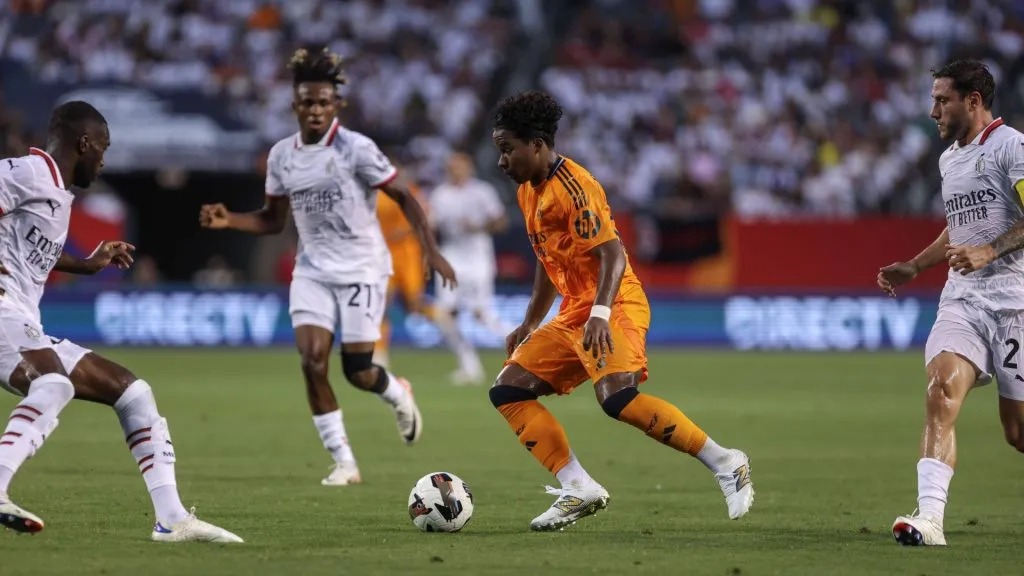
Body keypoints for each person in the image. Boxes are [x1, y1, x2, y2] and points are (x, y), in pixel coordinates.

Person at [488, 91, 753, 532]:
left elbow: (611, 253)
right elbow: (545, 257)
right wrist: (531, 321)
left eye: (507, 149)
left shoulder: (575, 187)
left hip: (615, 302)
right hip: (576, 310)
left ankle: (726, 462)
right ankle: (578, 487)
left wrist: (600, 313)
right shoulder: (526, 192)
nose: (501, 160)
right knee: (508, 390)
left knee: (617, 397)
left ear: (536, 144)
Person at [199, 47, 457, 486]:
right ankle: (344, 462)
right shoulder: (281, 156)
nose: (315, 110)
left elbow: (405, 196)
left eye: (323, 102)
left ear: (336, 105)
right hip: (313, 272)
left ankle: (397, 392)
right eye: (307, 102)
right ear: (295, 105)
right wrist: (232, 220)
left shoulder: (357, 149)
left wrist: (430, 251)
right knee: (312, 361)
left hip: (363, 269)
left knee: (358, 371)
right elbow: (272, 220)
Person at [0, 100, 241, 542]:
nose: (104, 159)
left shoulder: (54, 190)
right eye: (103, 147)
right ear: (84, 143)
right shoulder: (27, 172)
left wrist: (86, 264)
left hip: (21, 317)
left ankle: (172, 519)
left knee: (133, 392)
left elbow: (28, 250)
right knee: (53, 384)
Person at [878, 60, 1024, 547]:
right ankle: (931, 520)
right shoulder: (949, 160)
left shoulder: (1011, 147)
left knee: (1017, 432)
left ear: (973, 101)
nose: (933, 111)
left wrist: (990, 251)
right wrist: (916, 265)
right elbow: (957, 228)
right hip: (963, 300)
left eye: (942, 100)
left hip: (1015, 305)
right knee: (940, 390)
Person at [429, 152, 509, 385]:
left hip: (478, 258)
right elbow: (431, 227)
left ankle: (531, 344)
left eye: (460, 167)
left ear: (469, 169)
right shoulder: (440, 194)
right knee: (445, 314)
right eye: (452, 167)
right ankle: (469, 367)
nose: (455, 171)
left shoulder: (482, 191)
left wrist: (479, 227)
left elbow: (501, 222)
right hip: (451, 257)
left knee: (481, 314)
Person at [373, 171, 466, 372]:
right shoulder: (374, 193)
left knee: (414, 305)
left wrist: (410, 233)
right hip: (383, 254)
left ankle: (458, 344)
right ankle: (379, 361)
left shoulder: (409, 190)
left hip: (408, 254)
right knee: (379, 305)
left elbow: (425, 219)